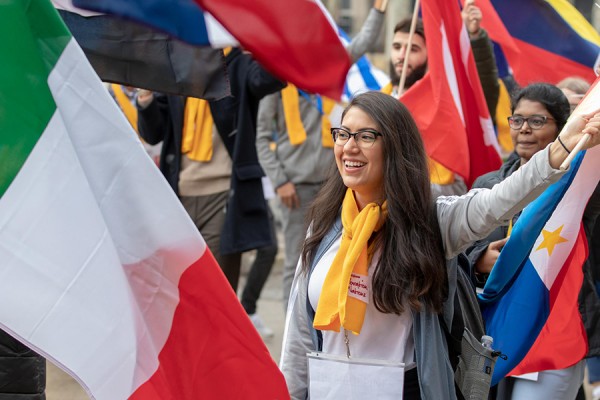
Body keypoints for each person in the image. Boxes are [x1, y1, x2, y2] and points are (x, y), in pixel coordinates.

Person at [280, 91, 600, 400]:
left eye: (366, 136)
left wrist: (562, 145)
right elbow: (298, 335)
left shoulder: (432, 221)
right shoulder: (323, 225)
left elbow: (499, 200)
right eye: (343, 134)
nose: (349, 147)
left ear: (395, 146)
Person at [465, 83, 600, 399]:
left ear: (561, 127)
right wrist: (480, 259)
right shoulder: (488, 183)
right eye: (517, 120)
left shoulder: (578, 183)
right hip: (493, 328)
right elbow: (459, 249)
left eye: (537, 121)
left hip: (552, 329)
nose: (524, 129)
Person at [256, 2, 387, 309]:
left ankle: (324, 318)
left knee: (332, 254)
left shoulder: (328, 69)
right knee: (296, 262)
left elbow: (362, 43)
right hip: (295, 188)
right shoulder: (275, 81)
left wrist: (379, 11)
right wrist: (279, 181)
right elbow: (261, 138)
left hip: (334, 183)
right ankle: (294, 329)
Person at [137, 48, 285, 293]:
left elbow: (271, 78)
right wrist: (145, 97)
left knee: (216, 291)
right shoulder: (178, 62)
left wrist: (261, 42)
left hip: (223, 195)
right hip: (179, 197)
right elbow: (154, 132)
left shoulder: (238, 61)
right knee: (180, 290)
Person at [388, 0, 499, 197]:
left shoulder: (444, 102)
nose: (402, 56)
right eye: (397, 47)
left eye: (413, 49)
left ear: (430, 55)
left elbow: (479, 92)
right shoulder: (378, 100)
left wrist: (473, 38)